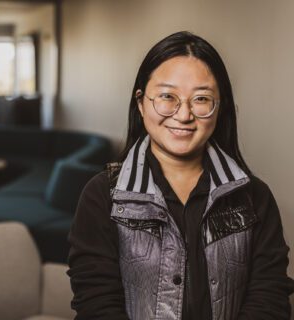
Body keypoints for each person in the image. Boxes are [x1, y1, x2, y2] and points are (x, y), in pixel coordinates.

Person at [67, 31, 294, 319]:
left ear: (219, 106)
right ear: (141, 102)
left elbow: (269, 299)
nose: (184, 114)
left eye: (201, 98)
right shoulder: (102, 196)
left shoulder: (255, 197)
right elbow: (96, 305)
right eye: (167, 96)